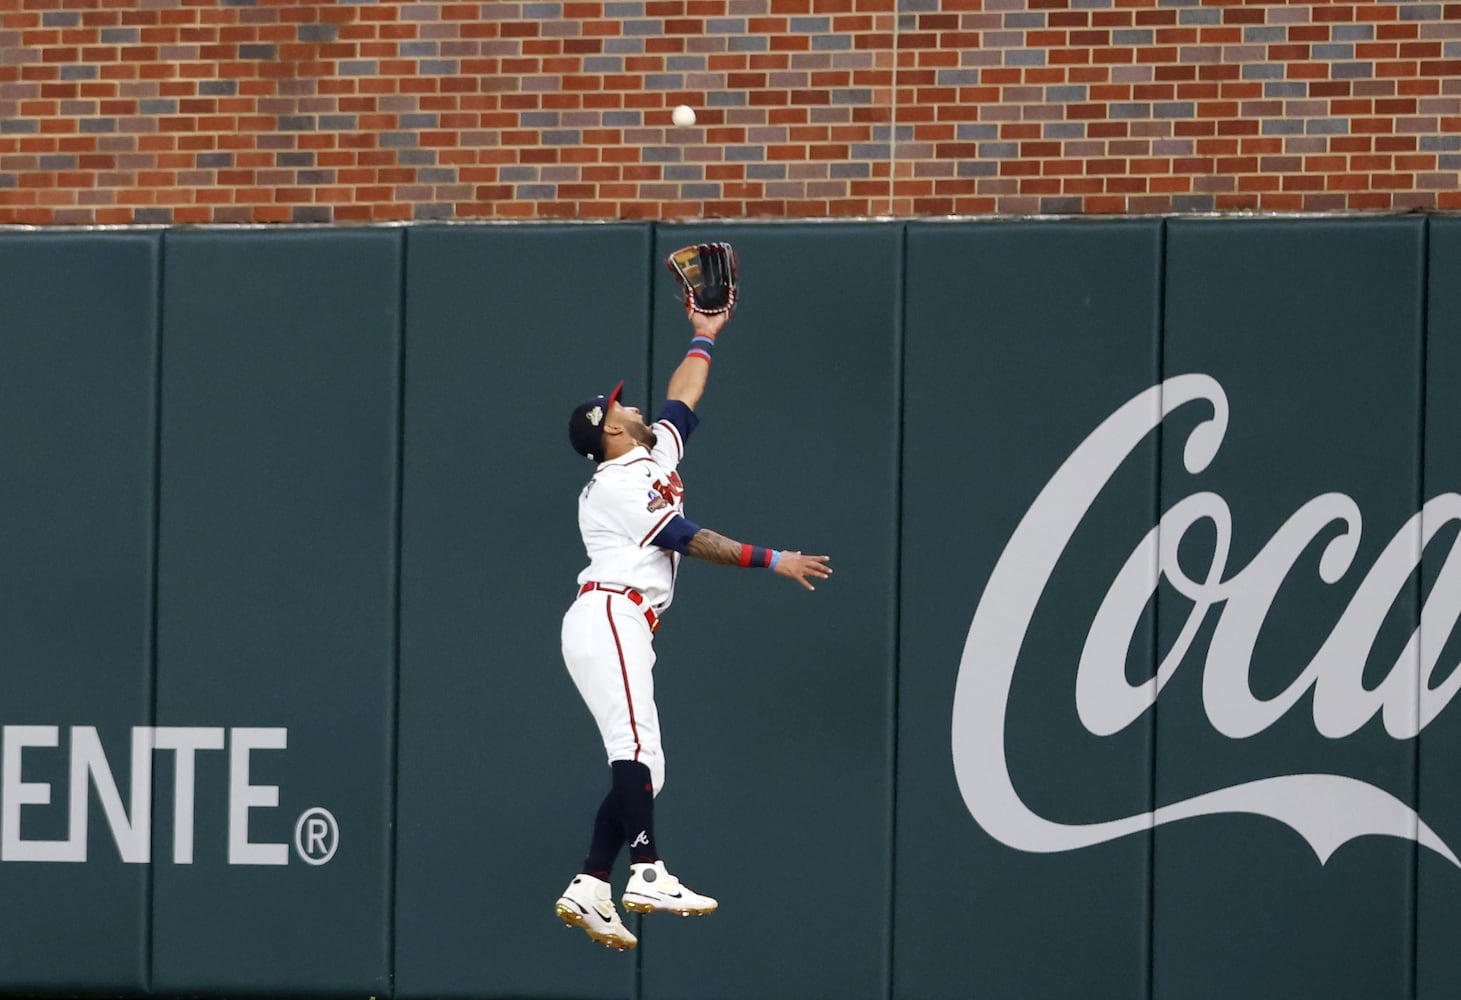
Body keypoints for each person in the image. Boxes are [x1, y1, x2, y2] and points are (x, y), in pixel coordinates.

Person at [554, 308, 833, 951]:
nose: (630, 408)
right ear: (609, 434)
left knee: (647, 763)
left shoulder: (652, 452)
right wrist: (775, 559)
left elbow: (685, 394)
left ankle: (593, 883)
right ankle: (647, 871)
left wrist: (705, 331)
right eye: (618, 409)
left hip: (627, 621)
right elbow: (687, 537)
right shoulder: (614, 483)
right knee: (634, 749)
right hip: (609, 611)